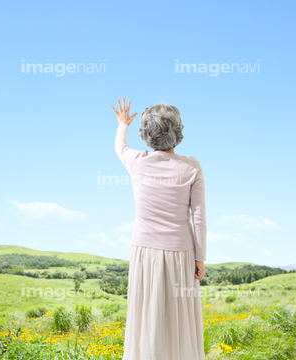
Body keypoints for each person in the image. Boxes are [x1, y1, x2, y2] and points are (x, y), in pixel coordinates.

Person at [112, 97, 207, 360]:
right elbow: (198, 216)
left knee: (147, 313)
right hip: (182, 252)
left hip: (144, 251)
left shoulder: (137, 162)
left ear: (146, 134)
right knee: (180, 314)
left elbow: (120, 147)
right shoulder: (192, 167)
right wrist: (201, 257)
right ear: (178, 132)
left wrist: (122, 123)